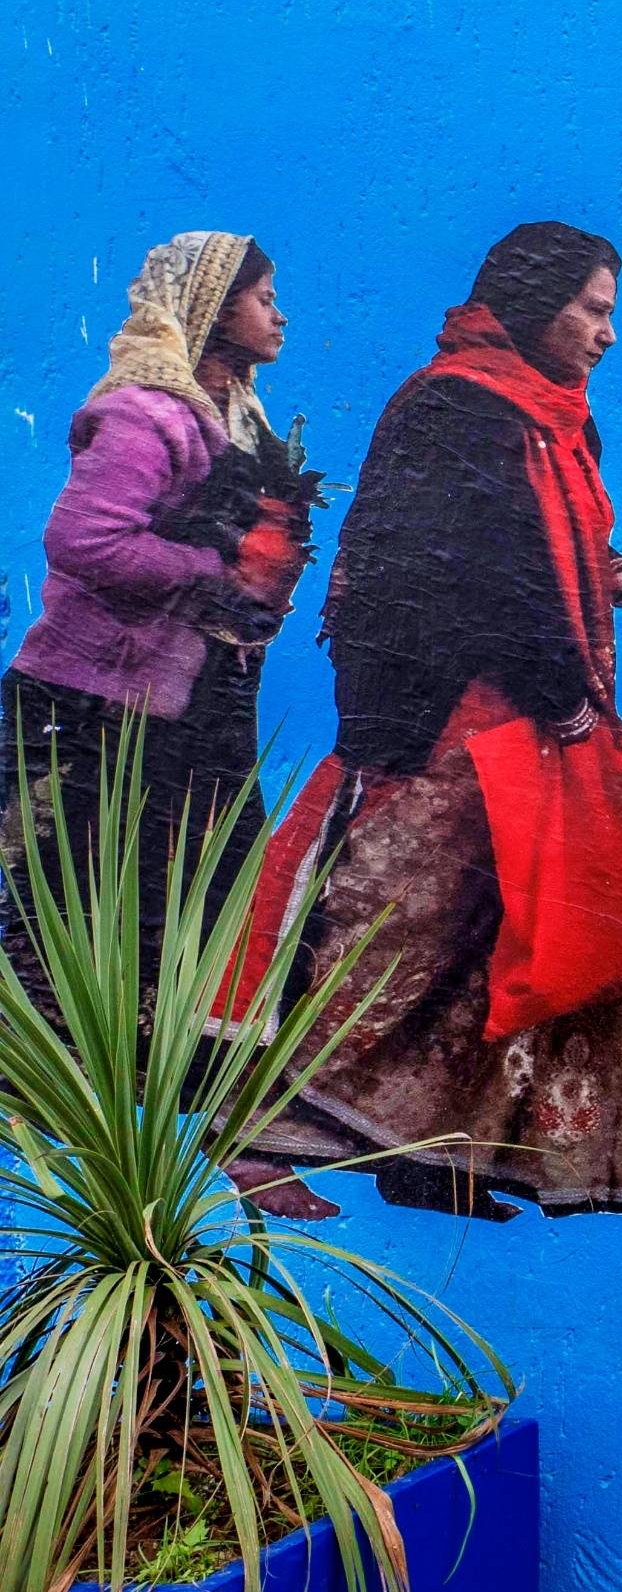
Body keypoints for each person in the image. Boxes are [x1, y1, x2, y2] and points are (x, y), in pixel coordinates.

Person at [248, 222, 622, 1219]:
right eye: (593, 310)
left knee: (497, 935)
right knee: (397, 928)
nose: (609, 334)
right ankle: (261, 1138)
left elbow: (550, 560)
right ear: (535, 300)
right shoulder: (455, 406)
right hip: (452, 719)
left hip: (532, 712)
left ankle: (434, 1155)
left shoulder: (560, 419)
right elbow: (467, 576)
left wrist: (619, 580)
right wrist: (561, 689)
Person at [1, 231, 331, 1217]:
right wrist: (215, 572)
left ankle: (238, 1130)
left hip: (195, 708)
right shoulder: (149, 414)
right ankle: (69, 1113)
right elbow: (85, 538)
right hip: (89, 712)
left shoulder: (242, 421)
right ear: (215, 306)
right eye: (263, 296)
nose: (279, 314)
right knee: (66, 911)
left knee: (223, 905)